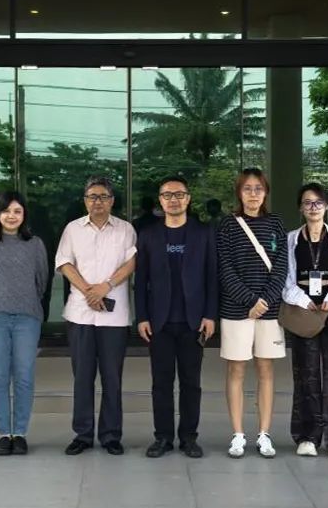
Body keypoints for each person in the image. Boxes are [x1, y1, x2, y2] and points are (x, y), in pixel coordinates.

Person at [134, 176, 218, 459]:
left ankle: (189, 437)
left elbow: (212, 276)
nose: (173, 200)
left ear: (188, 198)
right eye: (167, 195)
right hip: (159, 322)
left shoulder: (203, 233)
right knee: (161, 383)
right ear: (160, 200)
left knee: (191, 383)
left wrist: (210, 314)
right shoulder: (148, 234)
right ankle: (163, 437)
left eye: (179, 194)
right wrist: (142, 316)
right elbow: (141, 280)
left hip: (193, 321)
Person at [55, 175, 137, 455]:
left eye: (103, 197)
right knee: (82, 377)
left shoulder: (125, 229)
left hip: (114, 318)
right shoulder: (73, 229)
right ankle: (83, 434)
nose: (97, 202)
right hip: (80, 314)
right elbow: (65, 263)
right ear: (85, 201)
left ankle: (111, 435)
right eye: (92, 197)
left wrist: (106, 287)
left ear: (112, 201)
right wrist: (89, 291)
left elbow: (131, 263)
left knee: (112, 378)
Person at [216, 168, 289, 459]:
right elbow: (224, 268)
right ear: (239, 192)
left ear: (266, 192)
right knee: (236, 369)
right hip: (236, 310)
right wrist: (249, 300)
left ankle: (264, 433)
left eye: (258, 188)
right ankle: (238, 434)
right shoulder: (227, 225)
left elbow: (282, 266)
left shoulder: (276, 223)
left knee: (266, 369)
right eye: (247, 188)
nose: (253, 194)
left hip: (269, 312)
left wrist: (265, 301)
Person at [283, 182, 328, 460]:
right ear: (300, 208)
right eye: (307, 203)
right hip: (304, 312)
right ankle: (307, 436)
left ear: (326, 207)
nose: (313, 208)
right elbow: (286, 279)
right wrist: (304, 300)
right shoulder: (292, 239)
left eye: (318, 203)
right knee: (306, 374)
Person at [0, 191, 49, 456]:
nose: (11, 216)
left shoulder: (35, 244)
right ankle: (5, 433)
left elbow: (42, 281)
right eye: (6, 211)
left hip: (27, 318)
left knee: (24, 375)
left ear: (24, 215)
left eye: (17, 211)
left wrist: (24, 299)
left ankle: (21, 432)